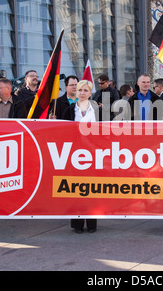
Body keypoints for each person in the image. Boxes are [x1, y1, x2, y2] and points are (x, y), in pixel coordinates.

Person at [62, 80, 99, 233]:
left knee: (92, 188)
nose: (82, 93)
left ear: (90, 93)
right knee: (76, 187)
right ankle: (77, 224)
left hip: (93, 154)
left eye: (85, 90)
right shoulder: (69, 110)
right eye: (80, 90)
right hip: (74, 155)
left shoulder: (97, 110)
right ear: (76, 92)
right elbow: (61, 131)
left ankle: (92, 223)